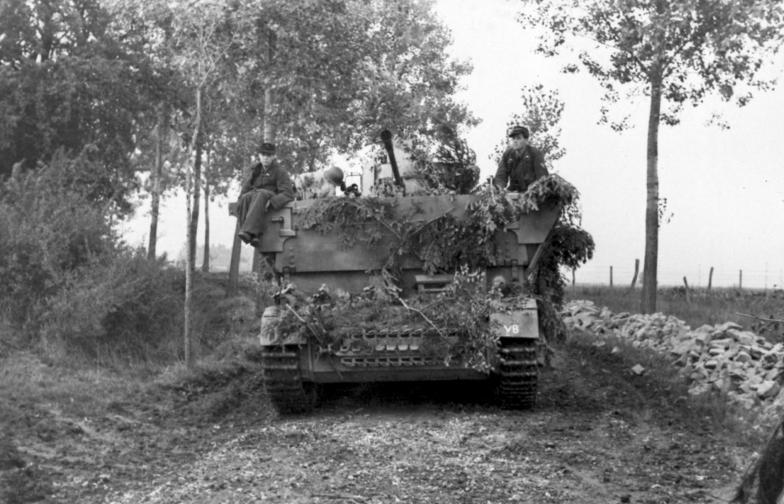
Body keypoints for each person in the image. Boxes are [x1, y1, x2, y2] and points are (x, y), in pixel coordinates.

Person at [236, 142, 294, 247]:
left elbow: (288, 193)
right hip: (256, 198)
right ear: (259, 155)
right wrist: (240, 200)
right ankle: (250, 234)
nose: (265, 158)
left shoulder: (280, 171)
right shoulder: (256, 170)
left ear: (274, 156)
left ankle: (250, 232)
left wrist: (272, 202)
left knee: (261, 193)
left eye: (269, 155)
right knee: (245, 197)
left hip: (269, 197)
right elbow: (246, 187)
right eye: (263, 155)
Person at [493, 125, 548, 193]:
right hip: (513, 191)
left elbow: (542, 177)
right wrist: (499, 187)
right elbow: (501, 175)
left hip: (532, 192)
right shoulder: (507, 154)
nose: (515, 141)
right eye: (513, 138)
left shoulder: (534, 153)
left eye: (518, 138)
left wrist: (533, 189)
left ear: (526, 140)